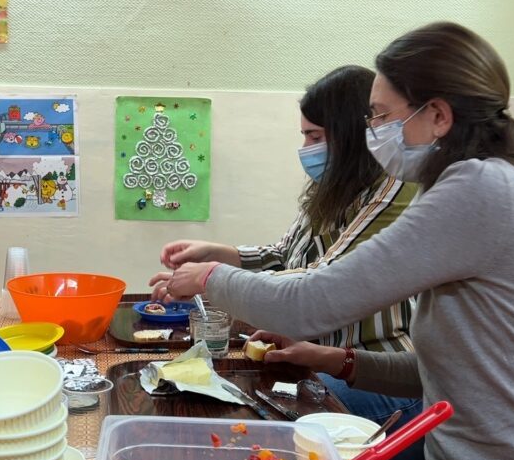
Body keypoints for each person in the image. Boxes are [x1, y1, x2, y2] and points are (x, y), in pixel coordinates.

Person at [164, 22, 514, 460]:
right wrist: (337, 361)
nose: (373, 129)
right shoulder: (484, 184)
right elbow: (448, 368)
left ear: (438, 115)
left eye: (380, 115)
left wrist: (210, 277)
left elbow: (310, 301)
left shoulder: (481, 189)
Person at [151, 65, 421, 429]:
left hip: (380, 370)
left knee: (274, 423)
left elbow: (321, 283)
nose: (306, 150)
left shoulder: (394, 192)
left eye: (314, 137)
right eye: (304, 137)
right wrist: (214, 253)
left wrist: (209, 279)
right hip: (323, 355)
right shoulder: (330, 190)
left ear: (351, 134)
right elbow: (282, 256)